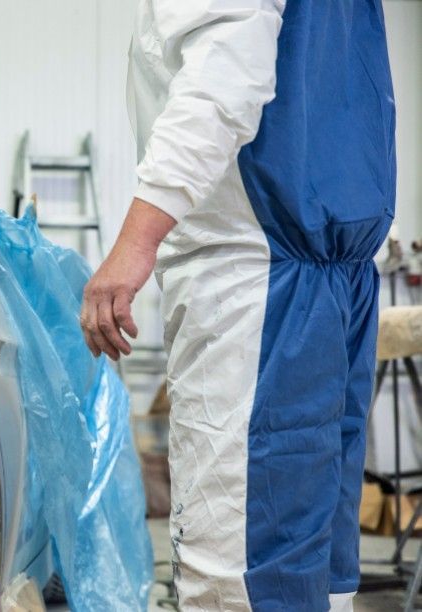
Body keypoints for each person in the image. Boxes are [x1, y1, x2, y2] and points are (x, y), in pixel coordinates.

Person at [80, 1, 396, 610]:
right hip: (331, 272)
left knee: (239, 570)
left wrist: (137, 241)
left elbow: (224, 74)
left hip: (254, 281)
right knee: (312, 562)